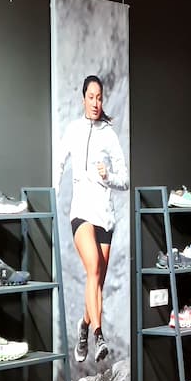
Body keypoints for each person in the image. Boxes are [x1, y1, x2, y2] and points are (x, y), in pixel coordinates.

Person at [56, 74, 128, 365]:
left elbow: (125, 180)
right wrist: (53, 194)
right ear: (83, 98)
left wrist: (108, 176)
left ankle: (84, 326)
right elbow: (59, 162)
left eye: (99, 98)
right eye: (91, 97)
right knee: (94, 266)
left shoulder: (108, 134)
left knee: (96, 282)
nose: (96, 103)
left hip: (105, 218)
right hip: (81, 213)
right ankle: (99, 335)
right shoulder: (73, 130)